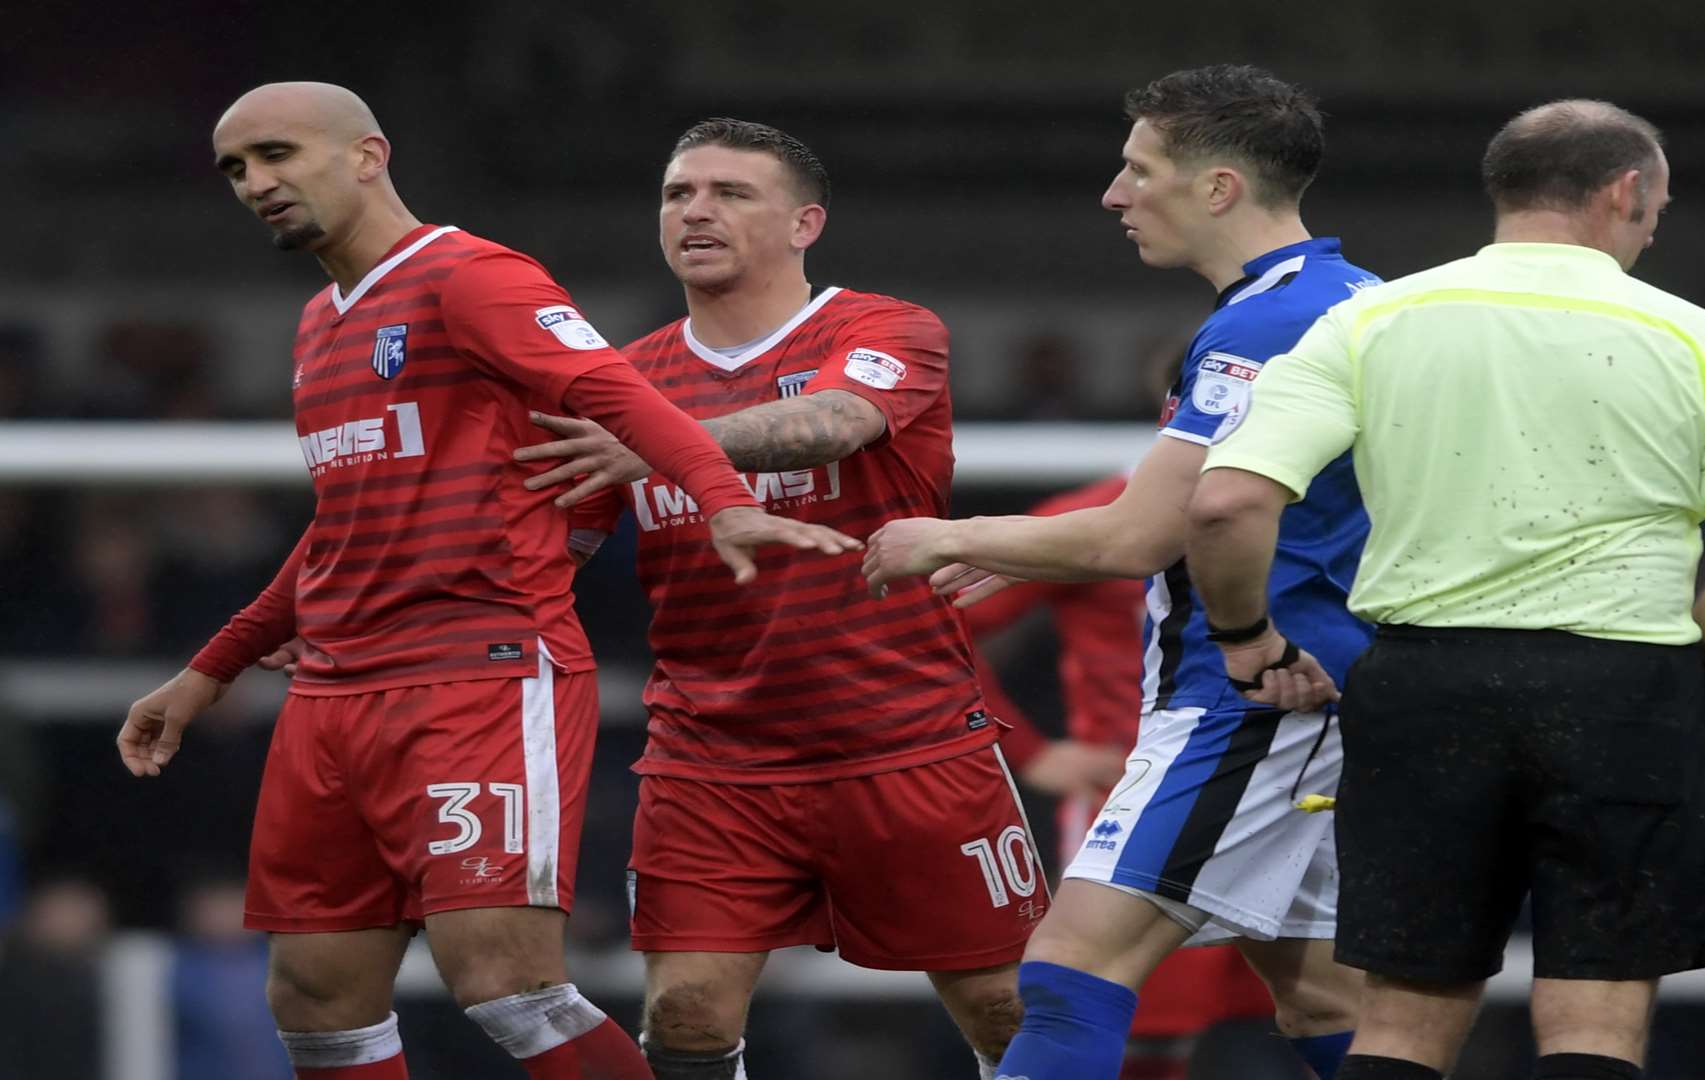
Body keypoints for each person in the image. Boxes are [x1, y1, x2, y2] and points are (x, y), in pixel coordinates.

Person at [114, 82, 854, 1080]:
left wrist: (722, 499)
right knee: (314, 994)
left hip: (480, 671)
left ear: (367, 156)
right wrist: (211, 670)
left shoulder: (470, 277)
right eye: (238, 170)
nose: (258, 184)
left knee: (504, 980)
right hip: (333, 692)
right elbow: (345, 523)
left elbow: (618, 398)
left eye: (280, 155)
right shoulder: (318, 325)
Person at [1183, 100, 1705, 1080]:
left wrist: (1244, 640)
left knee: (1401, 1022)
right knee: (1597, 1023)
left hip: (1423, 685)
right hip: (1627, 689)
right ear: (1626, 192)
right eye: (1654, 210)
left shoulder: (1370, 322)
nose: (1651, 229)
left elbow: (1224, 504)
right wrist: (1660, 659)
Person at [862, 65, 1374, 1080]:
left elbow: (1136, 538)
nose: (1114, 194)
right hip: (1322, 696)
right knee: (1322, 992)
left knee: (1065, 973)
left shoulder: (1267, 322)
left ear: (1219, 187)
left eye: (1139, 170)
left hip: (1249, 702)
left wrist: (948, 535)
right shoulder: (1354, 297)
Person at [511, 118, 1042, 1079]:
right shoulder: (618, 382)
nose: (696, 210)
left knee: (1007, 1012)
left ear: (806, 223)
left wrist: (657, 443)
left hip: (905, 736)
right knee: (685, 1016)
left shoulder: (884, 328)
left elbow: (834, 423)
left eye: (729, 192)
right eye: (678, 193)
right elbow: (542, 548)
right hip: (714, 754)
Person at [962, 476, 1279, 1080]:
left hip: (1296, 792)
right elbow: (947, 625)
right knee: (1129, 1024)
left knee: (1326, 1012)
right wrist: (1028, 753)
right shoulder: (1094, 516)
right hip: (1145, 800)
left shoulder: (1325, 508)